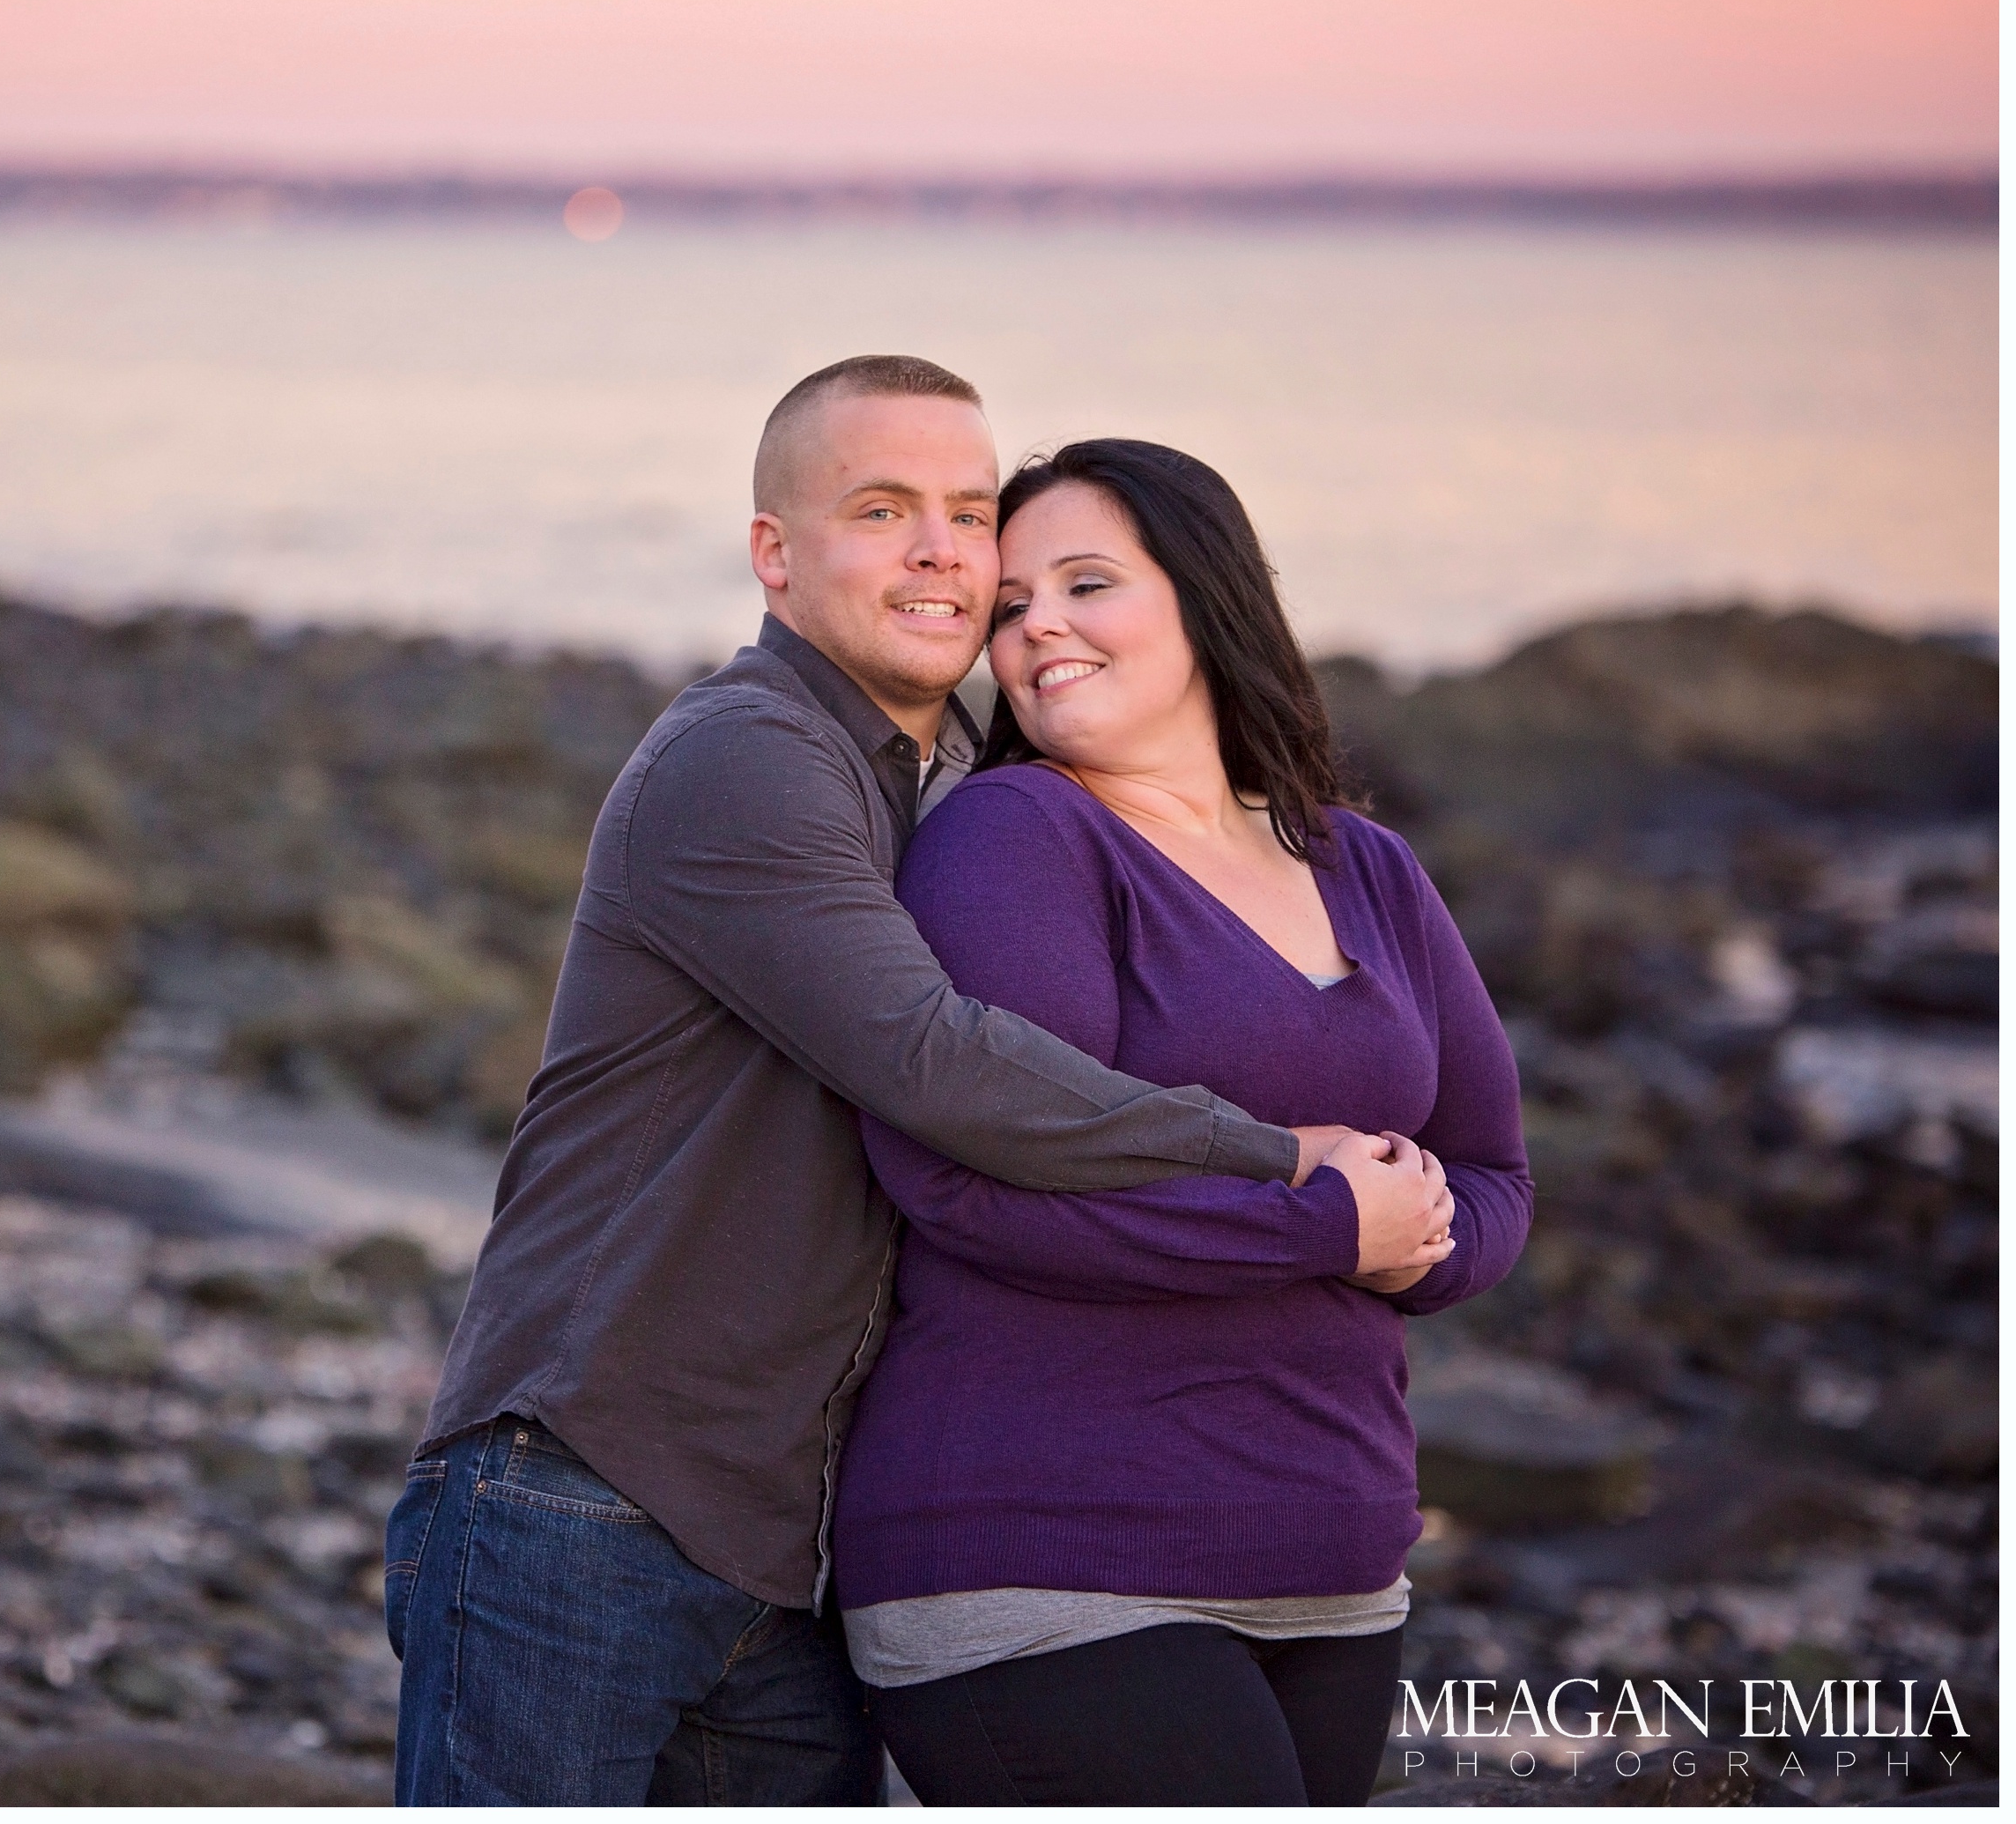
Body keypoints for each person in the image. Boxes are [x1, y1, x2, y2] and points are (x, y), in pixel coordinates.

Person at [383, 361, 1451, 1805]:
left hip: (784, 1538)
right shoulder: (747, 754)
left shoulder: (943, 776)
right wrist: (1278, 1156)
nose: (944, 550)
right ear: (776, 555)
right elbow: (939, 1063)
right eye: (882, 511)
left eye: (967, 514)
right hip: (583, 1485)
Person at [831, 437, 1532, 1805]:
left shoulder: (1365, 865)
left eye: (1087, 583)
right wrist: (1324, 1219)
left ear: (1207, 597)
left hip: (1336, 1558)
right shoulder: (1016, 835)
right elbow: (975, 1182)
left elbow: (1493, 1169)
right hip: (1045, 1548)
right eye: (1013, 604)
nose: (1040, 627)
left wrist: (1414, 1243)